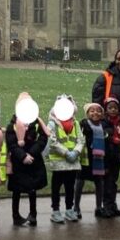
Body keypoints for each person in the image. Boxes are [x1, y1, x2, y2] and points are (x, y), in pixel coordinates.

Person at [6, 93, 49, 227]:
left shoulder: (37, 124)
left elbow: (43, 139)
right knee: (17, 190)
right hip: (19, 162)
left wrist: (31, 153)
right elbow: (11, 144)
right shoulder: (12, 125)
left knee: (32, 189)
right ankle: (16, 215)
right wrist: (22, 156)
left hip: (33, 161)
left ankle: (33, 214)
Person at [45, 94, 84, 223]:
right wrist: (67, 153)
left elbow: (81, 140)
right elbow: (52, 141)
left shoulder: (76, 123)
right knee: (56, 187)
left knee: (70, 187)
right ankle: (55, 211)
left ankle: (69, 209)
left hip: (72, 163)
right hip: (58, 163)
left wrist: (76, 152)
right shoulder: (52, 124)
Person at [73, 102, 112, 219]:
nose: (95, 113)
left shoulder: (105, 126)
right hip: (85, 160)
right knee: (79, 183)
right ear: (87, 113)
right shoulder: (83, 125)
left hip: (99, 160)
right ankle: (76, 207)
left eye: (98, 111)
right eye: (92, 111)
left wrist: (107, 163)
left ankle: (98, 207)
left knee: (99, 183)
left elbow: (108, 146)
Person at [101, 97, 120, 217]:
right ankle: (106, 206)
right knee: (107, 183)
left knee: (113, 182)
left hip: (116, 156)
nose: (113, 110)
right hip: (107, 157)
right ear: (106, 110)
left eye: (115, 108)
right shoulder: (104, 122)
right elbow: (104, 138)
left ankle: (112, 205)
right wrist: (113, 139)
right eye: (110, 108)